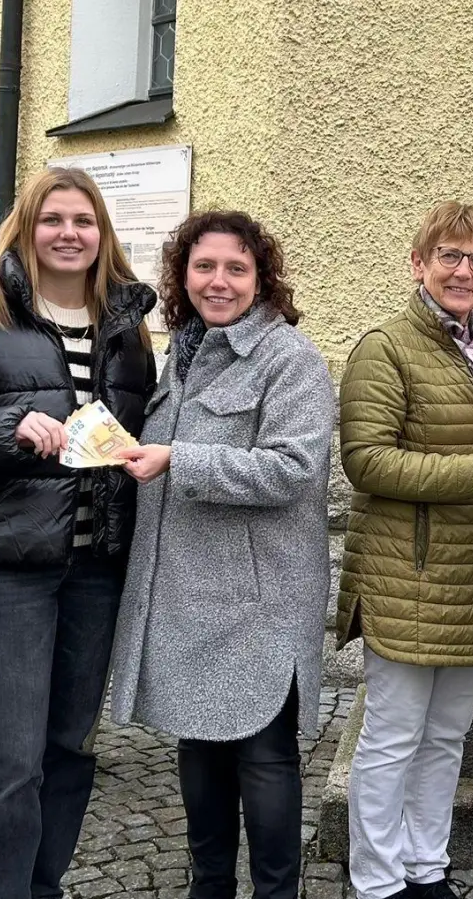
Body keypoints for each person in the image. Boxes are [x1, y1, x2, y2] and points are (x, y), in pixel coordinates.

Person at [0, 167, 156, 899]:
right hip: (4, 571)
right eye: (53, 219)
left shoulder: (127, 331)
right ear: (25, 229)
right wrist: (7, 427)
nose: (69, 234)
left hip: (95, 567)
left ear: (102, 234)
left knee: (70, 746)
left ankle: (41, 888)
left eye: (84, 221)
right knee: (11, 762)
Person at [106, 210, 335, 899]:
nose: (219, 281)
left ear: (262, 278)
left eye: (237, 268)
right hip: (188, 598)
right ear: (182, 275)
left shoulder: (289, 358)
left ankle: (276, 893)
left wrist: (180, 460)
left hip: (260, 600)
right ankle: (209, 888)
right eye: (204, 266)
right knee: (199, 750)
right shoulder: (181, 355)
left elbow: (293, 469)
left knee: (265, 758)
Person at [337, 200, 473, 899]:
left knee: (448, 737)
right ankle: (377, 881)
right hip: (407, 572)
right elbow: (366, 460)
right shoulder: (385, 347)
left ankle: (426, 870)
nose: (463, 271)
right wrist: (472, 473)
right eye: (449, 256)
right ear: (418, 263)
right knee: (393, 737)